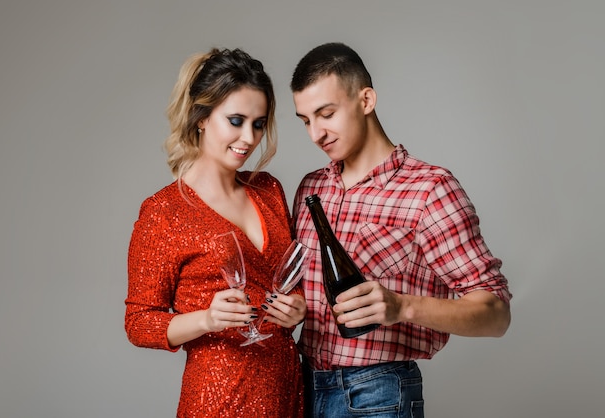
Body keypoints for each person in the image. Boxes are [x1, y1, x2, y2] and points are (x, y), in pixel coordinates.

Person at [290, 42, 512, 417]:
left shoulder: (430, 189)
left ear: (366, 100)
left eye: (326, 114)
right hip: (302, 386)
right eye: (306, 120)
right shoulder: (311, 189)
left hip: (377, 395)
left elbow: (496, 313)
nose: (316, 134)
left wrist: (402, 306)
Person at [125, 48, 306, 417]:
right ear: (202, 117)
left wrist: (298, 308)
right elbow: (139, 323)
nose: (249, 137)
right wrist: (207, 319)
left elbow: (287, 279)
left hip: (286, 387)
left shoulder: (268, 189)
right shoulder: (163, 211)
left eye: (258, 123)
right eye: (236, 120)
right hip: (219, 396)